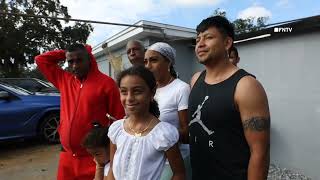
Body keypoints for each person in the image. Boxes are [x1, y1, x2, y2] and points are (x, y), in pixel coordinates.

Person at [189, 16, 270, 179]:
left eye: (208, 37)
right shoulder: (195, 79)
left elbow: (260, 152)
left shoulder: (246, 86)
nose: (200, 44)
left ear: (227, 43)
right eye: (198, 39)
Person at [35, 44, 125, 180]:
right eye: (70, 61)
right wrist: (66, 52)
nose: (75, 66)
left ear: (89, 59)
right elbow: (41, 60)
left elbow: (119, 120)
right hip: (67, 157)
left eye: (79, 60)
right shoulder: (64, 80)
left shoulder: (106, 83)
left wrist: (111, 155)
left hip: (93, 158)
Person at [107, 66, 186, 180]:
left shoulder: (164, 134)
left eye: (137, 91)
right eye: (124, 92)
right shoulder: (116, 130)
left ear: (152, 92)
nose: (129, 98)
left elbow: (179, 174)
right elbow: (112, 169)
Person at [144, 42, 191, 179]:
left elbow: (187, 133)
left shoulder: (181, 89)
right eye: (145, 61)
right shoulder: (148, 90)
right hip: (151, 159)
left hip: (173, 162)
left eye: (153, 60)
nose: (148, 66)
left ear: (168, 62)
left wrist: (160, 133)